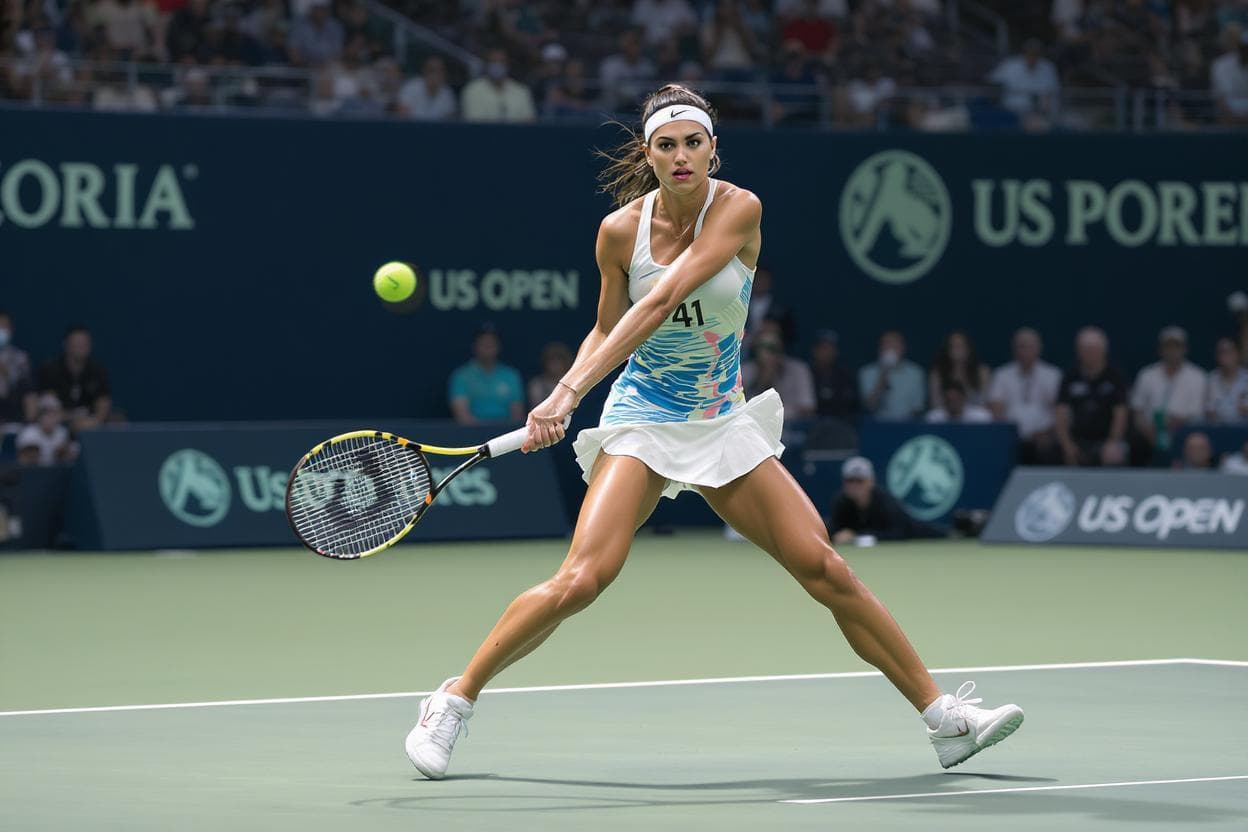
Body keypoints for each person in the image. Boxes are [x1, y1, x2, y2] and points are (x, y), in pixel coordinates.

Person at [405, 83, 1023, 781]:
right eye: (666, 145)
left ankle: (944, 720)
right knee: (582, 579)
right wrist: (566, 392)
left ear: (712, 149)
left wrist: (570, 391)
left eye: (693, 143)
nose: (681, 156)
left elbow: (665, 297)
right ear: (648, 154)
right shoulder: (618, 233)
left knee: (826, 568)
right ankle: (452, 700)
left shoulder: (738, 208)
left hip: (721, 420)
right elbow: (607, 327)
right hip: (643, 418)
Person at [1051, 326, 1129, 467]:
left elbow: (1120, 414)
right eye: (1085, 350)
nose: (1090, 354)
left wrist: (1112, 442)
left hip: (1105, 440)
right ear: (1078, 351)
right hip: (1077, 439)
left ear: (1104, 350)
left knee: (1116, 454)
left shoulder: (1115, 377)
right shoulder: (1070, 377)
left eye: (1094, 349)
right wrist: (1067, 445)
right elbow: (1060, 414)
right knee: (1053, 451)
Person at [1129, 326, 1207, 461]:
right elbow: (1137, 411)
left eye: (1177, 346)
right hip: (1149, 433)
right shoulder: (1146, 375)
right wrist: (1149, 431)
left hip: (1184, 432)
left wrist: (1173, 424)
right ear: (1160, 349)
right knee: (1136, 442)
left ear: (1185, 349)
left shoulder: (1198, 376)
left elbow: (1197, 414)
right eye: (1168, 346)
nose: (1172, 351)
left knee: (1195, 441)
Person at [826, 456, 946, 543]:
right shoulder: (840, 502)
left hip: (915, 530)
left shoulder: (885, 502)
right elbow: (833, 530)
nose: (855, 485)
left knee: (940, 533)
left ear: (871, 481)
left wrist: (857, 536)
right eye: (850, 480)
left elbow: (898, 533)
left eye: (860, 481)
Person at [987, 327, 1062, 462]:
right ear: (1014, 350)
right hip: (1011, 437)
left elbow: (1058, 412)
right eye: (1021, 347)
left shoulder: (1053, 375)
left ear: (1039, 349)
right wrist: (1009, 433)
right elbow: (996, 409)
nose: (1026, 352)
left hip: (1044, 438)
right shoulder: (1002, 375)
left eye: (1030, 347)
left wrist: (1048, 433)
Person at [37, 325, 113, 431]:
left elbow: (102, 409)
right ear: (66, 345)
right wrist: (72, 418)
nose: (81, 347)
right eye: (77, 343)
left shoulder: (98, 371)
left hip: (89, 427)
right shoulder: (50, 370)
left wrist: (92, 421)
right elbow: (48, 409)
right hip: (56, 427)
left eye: (85, 343)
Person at [448, 326, 524, 424]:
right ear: (474, 346)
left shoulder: (511, 375)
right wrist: (483, 431)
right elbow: (462, 415)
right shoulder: (461, 376)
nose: (487, 347)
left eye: (491, 344)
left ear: (498, 347)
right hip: (472, 431)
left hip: (506, 431)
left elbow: (517, 415)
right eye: (483, 344)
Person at [742, 328, 816, 418]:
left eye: (772, 348)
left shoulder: (798, 369)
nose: (767, 353)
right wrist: (763, 379)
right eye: (761, 347)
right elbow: (737, 407)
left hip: (791, 422)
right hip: (754, 422)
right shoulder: (746, 370)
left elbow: (808, 409)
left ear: (781, 348)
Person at [859, 330, 926, 421]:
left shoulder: (916, 373)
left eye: (895, 345)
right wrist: (883, 375)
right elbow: (869, 407)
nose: (890, 349)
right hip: (878, 423)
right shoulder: (866, 372)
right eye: (886, 344)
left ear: (903, 348)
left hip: (908, 423)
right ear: (879, 349)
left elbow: (918, 408)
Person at [460, 48, 536, 122]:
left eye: (501, 62)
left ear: (508, 64)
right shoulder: (472, 90)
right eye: (493, 62)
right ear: (486, 64)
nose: (497, 65)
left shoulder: (522, 91)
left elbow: (529, 121)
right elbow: (473, 122)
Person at [929, 330, 991, 411]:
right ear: (947, 350)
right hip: (947, 414)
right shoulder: (937, 373)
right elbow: (935, 404)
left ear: (969, 349)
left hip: (976, 415)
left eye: (961, 346)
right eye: (953, 346)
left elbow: (986, 402)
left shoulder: (982, 371)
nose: (957, 349)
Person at [809, 329, 859, 420]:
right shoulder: (806, 373)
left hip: (842, 423)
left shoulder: (846, 375)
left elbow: (853, 405)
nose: (827, 352)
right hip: (812, 424)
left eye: (831, 348)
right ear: (815, 350)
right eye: (824, 348)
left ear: (836, 351)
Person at [0, 311, 36, 431]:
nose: (1, 331)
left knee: (29, 395)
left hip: (12, 406)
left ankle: (28, 430)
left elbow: (26, 388)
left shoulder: (20, 358)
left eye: (4, 326)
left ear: (11, 330)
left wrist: (7, 375)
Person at [16, 395, 77, 466]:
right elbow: (24, 460)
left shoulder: (62, 432)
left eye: (53, 415)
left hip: (56, 470)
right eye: (47, 415)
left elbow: (67, 458)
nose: (50, 419)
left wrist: (62, 453)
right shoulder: (28, 433)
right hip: (34, 470)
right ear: (39, 417)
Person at [398, 55, 457, 121]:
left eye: (440, 71)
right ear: (424, 72)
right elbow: (402, 117)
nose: (435, 75)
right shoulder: (411, 88)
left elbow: (449, 122)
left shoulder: (448, 94)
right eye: (431, 70)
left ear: (444, 74)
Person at [1206, 337, 1248, 423]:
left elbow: (1245, 411)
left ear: (1238, 354)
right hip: (1217, 427)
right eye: (1222, 352)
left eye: (1229, 352)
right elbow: (1210, 412)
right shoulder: (1211, 379)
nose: (1225, 356)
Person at [527, 342, 574, 408]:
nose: (555, 364)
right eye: (552, 360)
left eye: (559, 360)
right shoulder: (536, 385)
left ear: (566, 362)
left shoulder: (574, 383)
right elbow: (537, 409)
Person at [926, 380, 992, 423]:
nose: (953, 404)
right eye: (949, 400)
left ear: (964, 398)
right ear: (943, 399)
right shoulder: (933, 417)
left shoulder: (981, 416)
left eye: (956, 399)